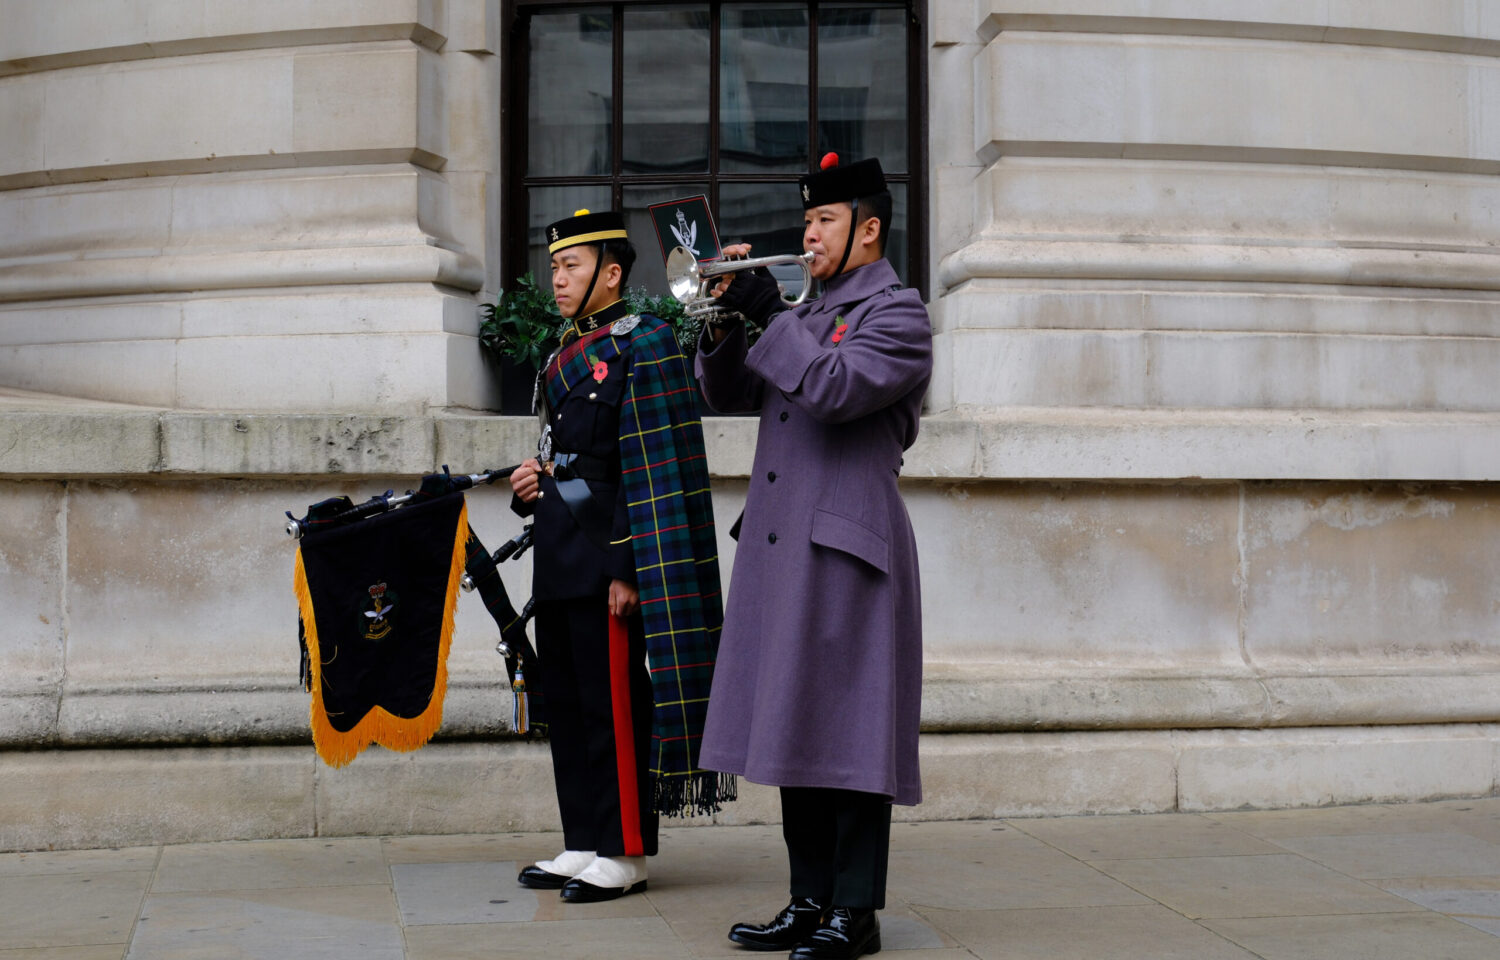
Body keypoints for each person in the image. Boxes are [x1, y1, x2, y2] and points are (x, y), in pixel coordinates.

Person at [695, 155, 932, 959]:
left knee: (853, 733)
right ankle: (808, 898)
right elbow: (727, 394)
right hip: (782, 543)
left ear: (869, 229)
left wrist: (771, 314)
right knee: (794, 722)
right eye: (806, 221)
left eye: (825, 220)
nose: (808, 235)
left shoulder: (898, 315)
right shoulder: (804, 311)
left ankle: (854, 911)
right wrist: (726, 320)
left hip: (848, 547)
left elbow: (834, 388)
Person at [510, 209, 729, 903]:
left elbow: (655, 470)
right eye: (554, 267)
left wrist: (630, 569)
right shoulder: (562, 352)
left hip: (609, 558)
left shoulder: (647, 342)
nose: (557, 278)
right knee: (569, 706)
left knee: (614, 708)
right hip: (560, 554)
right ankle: (583, 839)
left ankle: (625, 849)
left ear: (610, 273)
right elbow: (565, 458)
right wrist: (531, 485)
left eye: (571, 266)